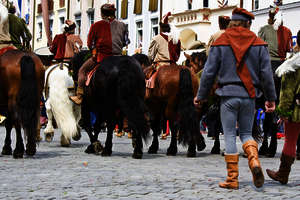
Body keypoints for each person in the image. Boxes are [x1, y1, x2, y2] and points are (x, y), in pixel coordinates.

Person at [194, 8, 277, 189]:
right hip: (249, 97)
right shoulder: (258, 43)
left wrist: (201, 96)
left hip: (228, 96)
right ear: (248, 24)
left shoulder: (221, 42)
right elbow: (266, 75)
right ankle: (254, 161)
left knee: (230, 135)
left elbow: (208, 72)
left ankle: (232, 179)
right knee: (247, 134)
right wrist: (271, 98)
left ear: (232, 22)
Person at [69, 3, 130, 105]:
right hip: (119, 58)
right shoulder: (123, 25)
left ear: (102, 14)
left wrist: (95, 49)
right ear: (113, 13)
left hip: (102, 57)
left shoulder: (96, 25)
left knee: (82, 71)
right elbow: (126, 42)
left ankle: (79, 96)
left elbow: (89, 44)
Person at [257, 6, 293, 157]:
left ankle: (265, 141)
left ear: (270, 17)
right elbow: (290, 49)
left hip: (268, 66)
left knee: (263, 104)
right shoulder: (288, 31)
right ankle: (276, 143)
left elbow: (259, 49)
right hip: (283, 67)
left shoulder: (264, 29)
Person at [266, 30, 300, 184]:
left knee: (290, 141)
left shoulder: (292, 64)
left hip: (296, 111)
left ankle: (283, 174)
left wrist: (283, 112)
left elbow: (287, 91)